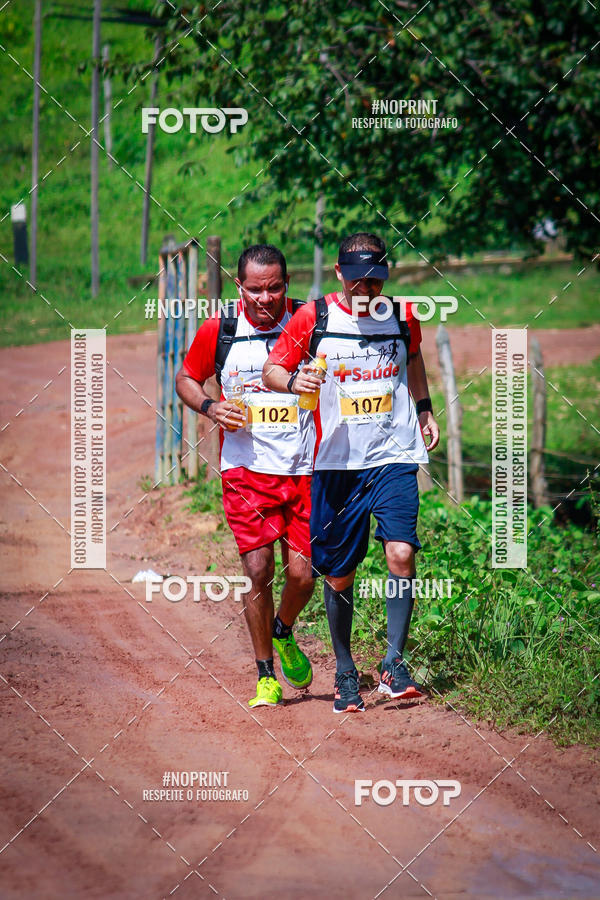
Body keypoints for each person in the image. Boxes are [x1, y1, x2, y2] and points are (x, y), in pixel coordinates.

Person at [263, 232, 440, 713]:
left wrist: (423, 407)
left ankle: (393, 665)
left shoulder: (404, 317)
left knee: (401, 551)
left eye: (376, 281)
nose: (367, 290)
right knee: (340, 574)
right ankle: (345, 671)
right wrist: (295, 378)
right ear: (340, 273)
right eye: (358, 280)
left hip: (393, 454)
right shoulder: (313, 317)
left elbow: (415, 359)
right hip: (337, 463)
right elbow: (272, 370)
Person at [176, 244, 315, 708]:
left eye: (274, 287)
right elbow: (186, 379)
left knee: (304, 575)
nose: (265, 298)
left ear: (287, 283)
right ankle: (265, 676)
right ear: (240, 287)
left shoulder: (308, 321)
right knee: (258, 571)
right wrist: (212, 408)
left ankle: (284, 629)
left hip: (304, 469)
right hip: (246, 472)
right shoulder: (222, 329)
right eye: (255, 289)